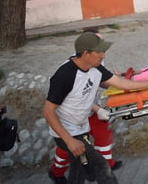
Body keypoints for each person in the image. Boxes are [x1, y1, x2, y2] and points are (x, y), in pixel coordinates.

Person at [43, 32, 148, 183]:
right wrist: (69, 140)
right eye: (99, 52)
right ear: (86, 53)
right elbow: (48, 112)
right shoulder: (65, 75)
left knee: (79, 169)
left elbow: (121, 83)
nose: (103, 56)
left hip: (81, 128)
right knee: (101, 166)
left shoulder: (96, 69)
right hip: (67, 132)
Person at [48, 31, 122, 184]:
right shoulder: (68, 71)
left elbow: (101, 80)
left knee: (88, 154)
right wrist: (97, 109)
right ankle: (56, 172)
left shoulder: (95, 62)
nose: (103, 53)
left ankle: (101, 166)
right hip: (71, 125)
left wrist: (123, 79)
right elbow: (73, 98)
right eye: (99, 48)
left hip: (83, 120)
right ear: (86, 50)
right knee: (72, 151)